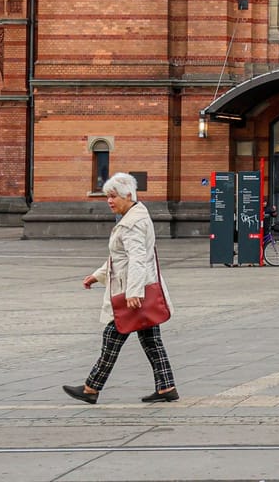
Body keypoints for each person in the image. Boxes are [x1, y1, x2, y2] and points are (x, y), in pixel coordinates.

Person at [65, 173, 176, 404]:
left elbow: (137, 259)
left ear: (128, 196)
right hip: (139, 287)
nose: (109, 200)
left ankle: (91, 388)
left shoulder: (132, 223)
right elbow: (121, 259)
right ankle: (166, 387)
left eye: (113, 196)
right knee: (151, 340)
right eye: (107, 196)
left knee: (112, 337)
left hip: (132, 293)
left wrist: (134, 292)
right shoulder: (133, 217)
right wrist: (97, 276)